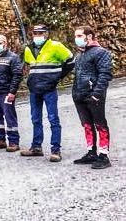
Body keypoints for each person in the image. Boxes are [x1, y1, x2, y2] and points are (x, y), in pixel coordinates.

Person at [21, 24, 75, 162]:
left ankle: (56, 149)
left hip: (49, 88)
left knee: (53, 119)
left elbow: (71, 61)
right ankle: (36, 147)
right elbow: (30, 67)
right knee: (35, 119)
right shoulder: (28, 49)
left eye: (40, 33)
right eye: (35, 33)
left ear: (46, 34)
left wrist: (58, 77)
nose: (37, 35)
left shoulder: (56, 46)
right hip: (34, 89)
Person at [71, 26, 113, 169]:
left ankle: (103, 156)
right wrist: (75, 93)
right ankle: (91, 152)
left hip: (94, 96)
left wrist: (97, 94)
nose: (76, 38)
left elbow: (105, 75)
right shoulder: (79, 55)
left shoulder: (101, 53)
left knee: (100, 124)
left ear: (89, 36)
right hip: (79, 96)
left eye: (79, 35)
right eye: (76, 36)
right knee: (87, 125)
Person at [0, 35, 23, 152]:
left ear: (5, 43)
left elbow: (17, 75)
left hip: (5, 93)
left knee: (10, 117)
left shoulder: (13, 57)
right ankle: (0, 140)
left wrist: (12, 92)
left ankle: (13, 142)